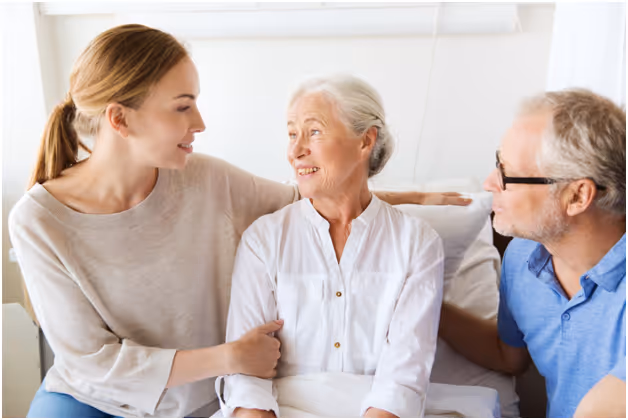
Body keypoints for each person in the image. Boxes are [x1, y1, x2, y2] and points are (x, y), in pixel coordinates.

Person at [8, 25, 467, 418]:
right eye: (183, 106)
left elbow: (313, 194)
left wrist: (415, 197)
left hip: (199, 400)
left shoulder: (205, 179)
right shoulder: (38, 221)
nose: (201, 122)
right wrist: (230, 357)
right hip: (90, 400)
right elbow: (91, 363)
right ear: (120, 119)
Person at [220, 75, 445, 418]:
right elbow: (245, 375)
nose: (295, 151)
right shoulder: (263, 239)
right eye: (292, 134)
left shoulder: (417, 243)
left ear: (365, 141)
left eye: (314, 132)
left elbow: (403, 376)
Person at [439, 89, 626, 418]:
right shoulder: (524, 258)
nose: (488, 183)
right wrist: (420, 302)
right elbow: (509, 355)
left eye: (506, 173)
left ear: (577, 195)